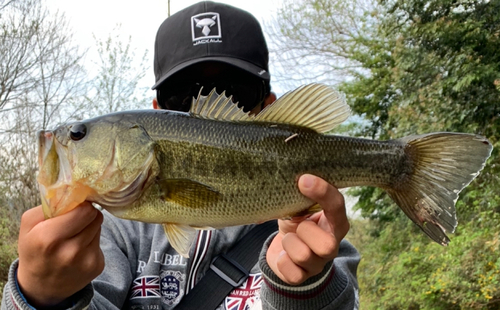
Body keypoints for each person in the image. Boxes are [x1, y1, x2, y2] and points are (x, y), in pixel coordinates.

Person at [2, 2, 360, 309]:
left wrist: (305, 287)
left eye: (234, 93)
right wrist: (43, 295)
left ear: (270, 106)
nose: (199, 113)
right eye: (180, 97)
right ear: (157, 111)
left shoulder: (316, 232)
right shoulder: (111, 233)